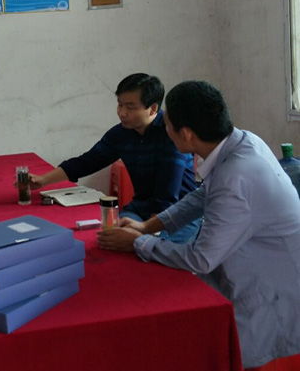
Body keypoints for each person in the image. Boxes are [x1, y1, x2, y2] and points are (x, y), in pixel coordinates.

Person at [98, 81, 300, 369]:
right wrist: (148, 226)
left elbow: (201, 258)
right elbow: (203, 195)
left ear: (186, 134)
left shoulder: (236, 177)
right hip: (255, 267)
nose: (164, 130)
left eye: (167, 125)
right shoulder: (242, 142)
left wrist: (138, 243)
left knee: (225, 352)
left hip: (270, 289)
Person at [30, 73, 199, 242]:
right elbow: (87, 162)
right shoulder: (121, 133)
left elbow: (167, 192)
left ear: (153, 109)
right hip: (140, 208)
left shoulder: (171, 132)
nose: (122, 113)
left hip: (180, 214)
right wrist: (42, 180)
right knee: (112, 239)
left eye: (130, 107)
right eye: (120, 104)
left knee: (148, 248)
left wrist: (149, 236)